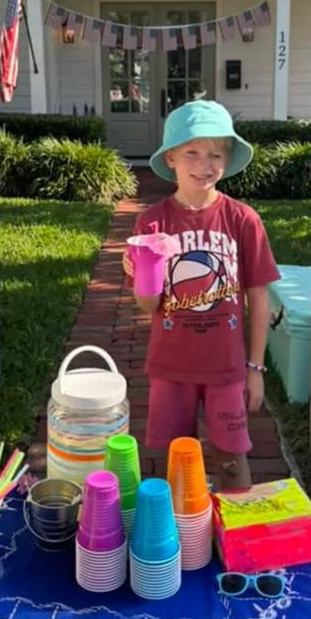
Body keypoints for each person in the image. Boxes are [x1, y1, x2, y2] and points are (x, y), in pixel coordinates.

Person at [123, 101, 279, 490]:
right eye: (192, 152)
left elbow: (259, 299)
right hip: (171, 366)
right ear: (172, 157)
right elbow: (148, 306)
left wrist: (255, 369)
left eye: (216, 154)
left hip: (226, 368)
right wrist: (140, 274)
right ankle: (184, 540)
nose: (204, 164)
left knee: (232, 461)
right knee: (180, 463)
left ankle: (235, 539)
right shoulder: (153, 221)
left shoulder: (243, 219)